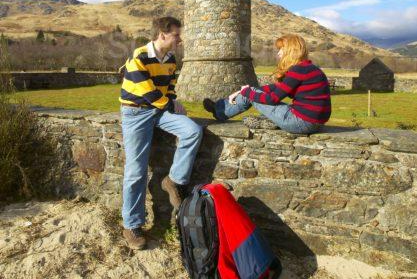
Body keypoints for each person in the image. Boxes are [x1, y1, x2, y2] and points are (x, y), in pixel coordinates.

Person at [120, 16, 203, 250]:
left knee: (192, 130)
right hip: (136, 113)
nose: (180, 39)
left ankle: (174, 180)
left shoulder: (171, 59)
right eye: (176, 35)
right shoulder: (139, 57)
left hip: (159, 111)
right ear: (162, 34)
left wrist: (174, 102)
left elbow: (168, 89)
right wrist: (169, 103)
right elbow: (150, 95)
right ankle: (132, 225)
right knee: (136, 171)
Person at [203, 34, 331, 134]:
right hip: (315, 122)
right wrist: (246, 90)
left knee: (249, 95)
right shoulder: (308, 68)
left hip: (301, 123)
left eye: (281, 49)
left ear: (291, 50)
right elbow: (277, 88)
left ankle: (219, 111)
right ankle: (220, 107)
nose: (278, 53)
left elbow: (272, 98)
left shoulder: (298, 70)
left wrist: (246, 92)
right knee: (251, 92)